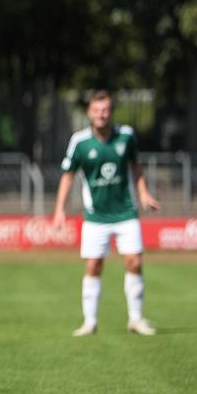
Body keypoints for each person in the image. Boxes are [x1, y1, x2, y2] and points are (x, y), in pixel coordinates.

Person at [53, 89, 161, 337]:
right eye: (97, 110)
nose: (102, 115)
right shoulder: (79, 142)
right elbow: (68, 176)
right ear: (90, 112)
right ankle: (89, 322)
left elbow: (136, 167)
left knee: (134, 261)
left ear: (111, 112)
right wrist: (59, 210)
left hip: (126, 211)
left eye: (106, 110)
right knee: (94, 265)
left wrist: (143, 193)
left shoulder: (126, 136)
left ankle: (136, 319)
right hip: (96, 216)